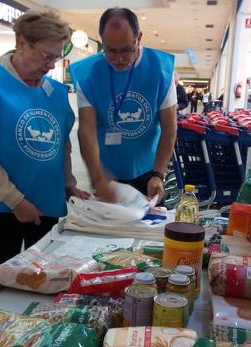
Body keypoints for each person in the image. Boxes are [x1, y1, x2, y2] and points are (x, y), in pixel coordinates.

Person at [0, 10, 89, 289]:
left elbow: (60, 144)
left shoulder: (54, 92)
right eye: (45, 56)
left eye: (56, 57)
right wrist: (14, 200)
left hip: (47, 202)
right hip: (1, 208)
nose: (50, 66)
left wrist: (68, 183)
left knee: (44, 278)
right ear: (22, 42)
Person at [70, 7, 177, 205]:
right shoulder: (88, 74)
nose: (119, 58)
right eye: (111, 50)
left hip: (148, 171)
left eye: (127, 49)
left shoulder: (160, 69)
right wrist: (97, 176)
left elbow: (169, 128)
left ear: (139, 38)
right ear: (102, 40)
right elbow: (87, 130)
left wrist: (158, 174)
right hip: (107, 174)